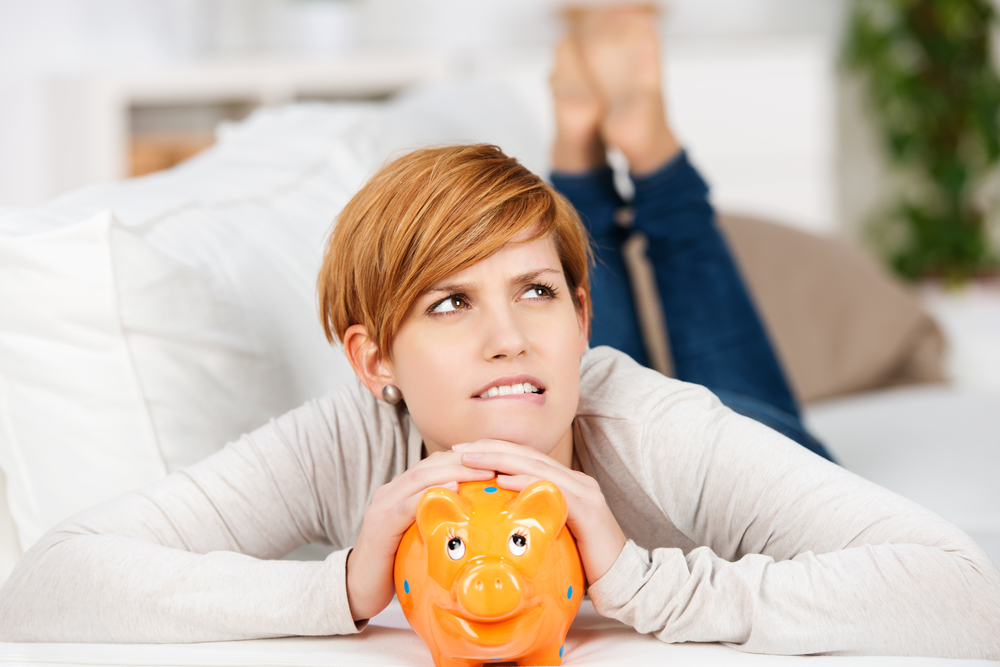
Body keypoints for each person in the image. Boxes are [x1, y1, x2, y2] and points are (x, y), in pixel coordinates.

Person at [2, 21, 999, 663]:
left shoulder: (663, 430)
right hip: (576, 404)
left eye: (537, 296)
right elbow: (49, 580)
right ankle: (579, 149)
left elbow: (963, 589)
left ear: (578, 322)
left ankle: (641, 147)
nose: (509, 337)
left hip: (712, 445)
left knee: (727, 380)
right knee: (551, 293)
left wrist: (640, 579)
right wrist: (342, 582)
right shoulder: (347, 442)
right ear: (373, 361)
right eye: (448, 304)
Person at [548, 7, 832, 459]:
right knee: (741, 438)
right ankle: (625, 160)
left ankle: (599, 164)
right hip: (748, 460)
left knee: (606, 413)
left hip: (615, 457)